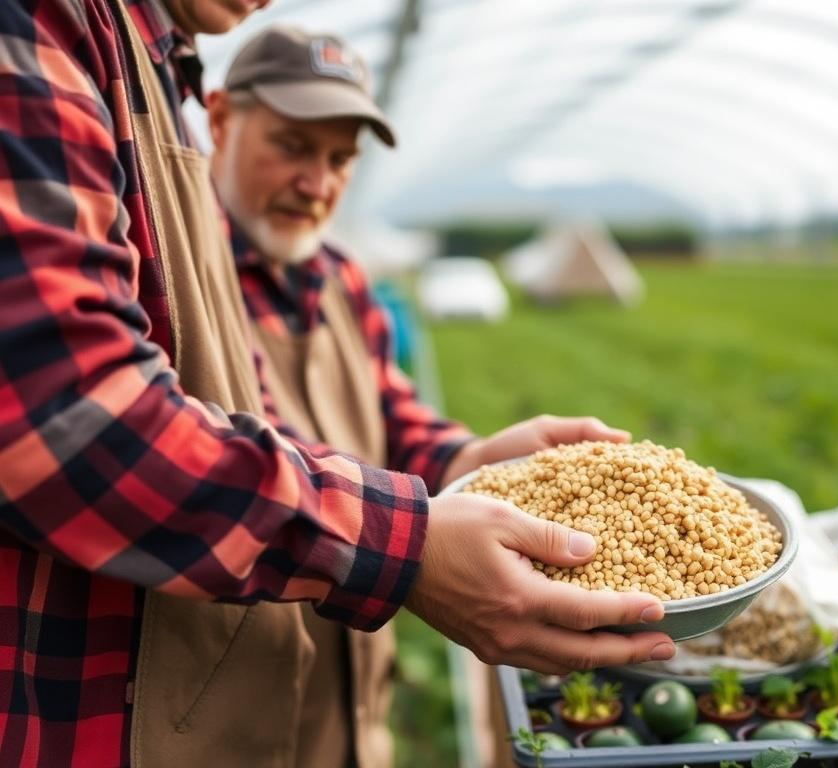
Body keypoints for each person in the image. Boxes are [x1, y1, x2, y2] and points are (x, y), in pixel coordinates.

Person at [0, 2, 675, 766]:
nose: (315, 182)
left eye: (340, 159)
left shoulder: (340, 280)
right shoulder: (144, 198)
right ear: (215, 121)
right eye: (291, 146)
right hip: (155, 710)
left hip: (327, 700)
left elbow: (386, 424)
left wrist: (473, 465)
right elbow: (69, 418)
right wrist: (409, 547)